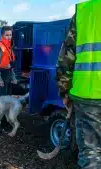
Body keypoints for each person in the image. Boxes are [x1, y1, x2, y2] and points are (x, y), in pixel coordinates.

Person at [56, 1, 101, 168]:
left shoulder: (85, 12)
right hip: (87, 98)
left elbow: (66, 57)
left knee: (91, 155)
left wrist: (64, 91)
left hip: (88, 96)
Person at [0, 26, 18, 97]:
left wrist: (13, 78)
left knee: (7, 98)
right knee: (0, 99)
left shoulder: (9, 47)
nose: (9, 37)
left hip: (7, 76)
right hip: (0, 75)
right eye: (7, 35)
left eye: (10, 35)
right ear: (2, 35)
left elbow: (10, 65)